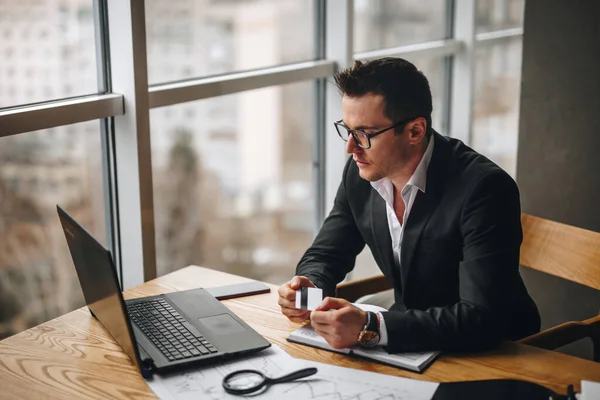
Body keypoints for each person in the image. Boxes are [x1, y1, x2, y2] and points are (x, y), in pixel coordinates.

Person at [277, 57, 540, 354]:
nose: (350, 147)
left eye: (364, 134)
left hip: (496, 351)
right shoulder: (360, 173)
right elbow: (326, 253)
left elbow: (482, 318)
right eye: (347, 129)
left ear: (415, 131)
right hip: (412, 342)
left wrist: (371, 327)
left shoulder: (485, 189)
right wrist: (308, 287)